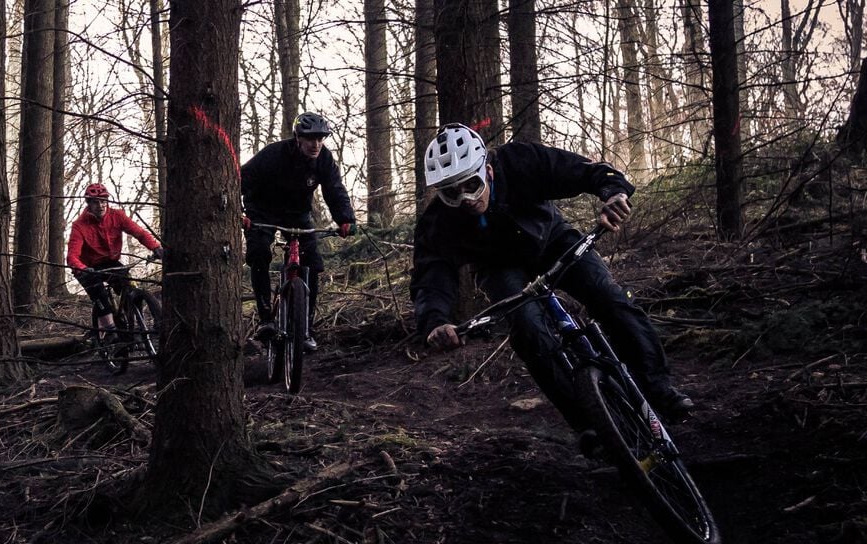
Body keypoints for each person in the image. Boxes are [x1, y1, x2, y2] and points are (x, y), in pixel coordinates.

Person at [410, 123, 693, 435]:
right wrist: (435, 321)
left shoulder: (520, 161)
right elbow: (431, 273)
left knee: (607, 295)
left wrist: (613, 192)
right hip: (499, 267)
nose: (464, 198)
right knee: (528, 329)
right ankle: (589, 425)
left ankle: (659, 389)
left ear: (487, 171)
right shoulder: (438, 220)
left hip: (552, 240)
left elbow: (583, 171)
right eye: (451, 192)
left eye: (471, 185)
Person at [241, 112, 356, 351]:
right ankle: (266, 319)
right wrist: (239, 213)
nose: (315, 144)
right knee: (259, 251)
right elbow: (240, 179)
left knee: (311, 264)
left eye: (320, 139)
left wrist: (345, 218)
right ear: (298, 138)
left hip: (297, 213)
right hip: (262, 210)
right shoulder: (274, 155)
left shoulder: (323, 158)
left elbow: (334, 188)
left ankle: (305, 330)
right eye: (310, 139)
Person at [67, 182, 163, 334]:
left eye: (103, 200)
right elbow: (72, 256)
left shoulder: (117, 216)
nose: (101, 205)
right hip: (87, 268)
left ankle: (135, 327)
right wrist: (81, 269)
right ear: (89, 204)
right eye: (96, 202)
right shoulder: (79, 225)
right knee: (100, 295)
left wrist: (156, 248)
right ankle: (110, 332)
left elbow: (139, 233)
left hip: (111, 263)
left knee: (130, 288)